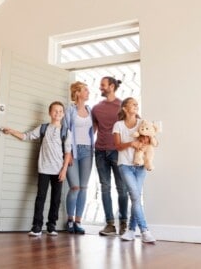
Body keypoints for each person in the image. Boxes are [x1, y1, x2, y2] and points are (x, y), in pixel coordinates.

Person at [1, 101, 72, 237]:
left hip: (58, 170)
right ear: (50, 113)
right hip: (44, 169)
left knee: (56, 199)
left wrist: (64, 170)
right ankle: (37, 226)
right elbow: (26, 136)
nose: (58, 113)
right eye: (55, 111)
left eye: (60, 111)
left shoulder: (66, 132)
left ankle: (51, 226)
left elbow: (68, 152)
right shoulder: (43, 128)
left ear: (63, 114)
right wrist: (11, 131)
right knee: (41, 197)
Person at [113, 97, 156, 243]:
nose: (136, 106)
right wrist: (132, 143)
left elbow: (152, 138)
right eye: (133, 104)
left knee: (135, 197)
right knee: (135, 196)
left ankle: (131, 230)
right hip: (125, 165)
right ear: (125, 108)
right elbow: (117, 146)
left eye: (137, 104)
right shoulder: (118, 125)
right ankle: (145, 230)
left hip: (140, 166)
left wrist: (147, 141)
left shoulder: (141, 123)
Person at [92, 76, 128, 236]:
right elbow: (92, 130)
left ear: (112, 87)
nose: (100, 88)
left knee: (122, 188)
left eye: (103, 85)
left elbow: (133, 125)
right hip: (100, 151)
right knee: (105, 187)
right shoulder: (96, 108)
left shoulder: (122, 106)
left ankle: (124, 223)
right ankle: (110, 224)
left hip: (117, 151)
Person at [64, 81, 95, 235]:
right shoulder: (69, 110)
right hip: (73, 152)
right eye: (85, 90)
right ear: (77, 93)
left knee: (83, 188)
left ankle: (78, 222)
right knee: (74, 187)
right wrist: (67, 154)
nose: (88, 92)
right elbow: (66, 132)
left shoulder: (90, 110)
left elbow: (92, 129)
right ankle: (69, 220)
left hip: (88, 151)